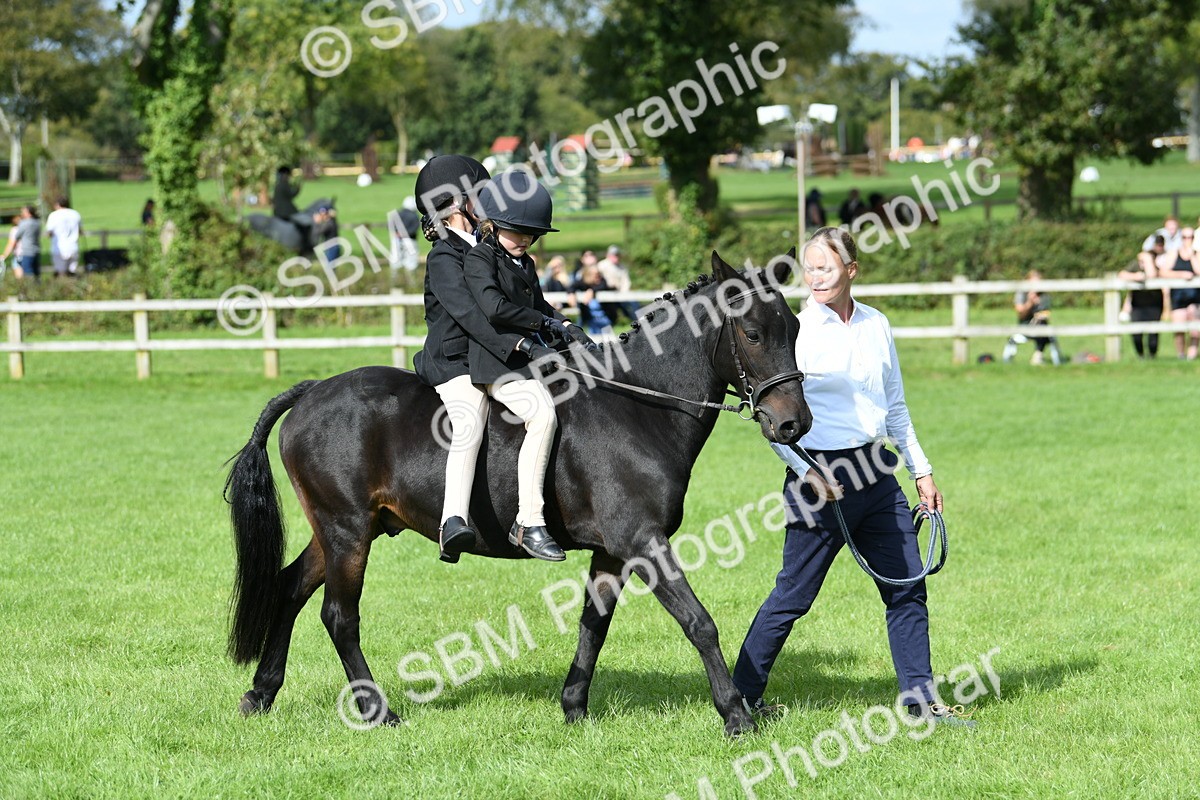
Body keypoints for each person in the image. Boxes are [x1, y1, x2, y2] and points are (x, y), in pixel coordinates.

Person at [732, 226, 971, 727]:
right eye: (809, 266)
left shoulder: (877, 325)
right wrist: (808, 472)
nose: (815, 276)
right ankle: (741, 698)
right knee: (792, 597)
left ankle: (920, 704)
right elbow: (773, 420)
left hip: (877, 472)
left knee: (908, 586)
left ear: (851, 270)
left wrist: (921, 471)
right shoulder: (794, 332)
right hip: (820, 478)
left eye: (826, 266)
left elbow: (896, 406)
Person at [462, 169, 597, 562]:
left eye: (530, 234)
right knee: (542, 417)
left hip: (527, 358)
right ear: (494, 224)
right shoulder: (479, 259)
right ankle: (528, 521)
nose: (524, 239)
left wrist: (568, 326)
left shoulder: (526, 263)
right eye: (516, 231)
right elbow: (494, 308)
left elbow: (539, 306)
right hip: (497, 363)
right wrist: (546, 325)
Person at [411, 155, 501, 563]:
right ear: (455, 204)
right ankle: (452, 521)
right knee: (471, 412)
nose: (486, 204)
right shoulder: (444, 257)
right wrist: (514, 346)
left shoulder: (484, 249)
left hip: (483, 356)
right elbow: (469, 314)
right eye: (478, 197)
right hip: (453, 363)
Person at [1002, 270, 1063, 365]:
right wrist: (1030, 303)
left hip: (1040, 325)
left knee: (1044, 328)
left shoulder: (1044, 295)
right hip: (1025, 326)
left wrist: (1040, 311)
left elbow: (1046, 313)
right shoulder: (1022, 294)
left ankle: (1038, 355)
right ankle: (1037, 356)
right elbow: (1021, 314)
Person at [1118, 239, 1166, 359]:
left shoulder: (1158, 263)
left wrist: (1148, 260)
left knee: (1153, 334)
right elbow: (1122, 274)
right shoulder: (1135, 264)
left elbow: (1152, 275)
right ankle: (1140, 356)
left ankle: (1152, 356)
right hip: (1138, 305)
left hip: (1154, 304)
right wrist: (1135, 276)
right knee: (1136, 333)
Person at [1158, 227, 1199, 360]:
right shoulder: (1173, 253)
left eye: (1191, 237)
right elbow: (1163, 272)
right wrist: (1181, 274)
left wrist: (1192, 255)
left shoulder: (1197, 254)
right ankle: (1181, 355)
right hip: (1178, 296)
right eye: (1185, 237)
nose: (1188, 240)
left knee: (1195, 329)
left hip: (1195, 296)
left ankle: (1191, 356)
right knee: (1179, 328)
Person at [597, 245, 640, 323]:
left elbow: (626, 282)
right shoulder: (601, 265)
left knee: (633, 303)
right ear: (608, 255)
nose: (615, 257)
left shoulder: (622, 267)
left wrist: (623, 293)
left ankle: (637, 321)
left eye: (617, 255)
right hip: (606, 292)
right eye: (613, 255)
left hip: (620, 293)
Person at [1, 205, 41, 280]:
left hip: (24, 253)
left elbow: (13, 241)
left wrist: (5, 255)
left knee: (26, 275)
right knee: (36, 275)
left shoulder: (22, 225)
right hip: (36, 251)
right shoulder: (37, 223)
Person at [572, 261, 613, 334]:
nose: (598, 277)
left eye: (598, 274)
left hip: (604, 318)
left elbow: (603, 285)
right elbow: (572, 286)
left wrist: (592, 291)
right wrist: (571, 294)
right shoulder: (583, 283)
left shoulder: (602, 282)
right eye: (595, 275)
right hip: (591, 319)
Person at [45, 197, 82, 276]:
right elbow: (80, 230)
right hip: (73, 246)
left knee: (60, 272)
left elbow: (49, 232)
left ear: (57, 205)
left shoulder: (54, 215)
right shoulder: (75, 214)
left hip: (59, 247)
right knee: (72, 272)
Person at [390, 196, 420, 272]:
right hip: (410, 240)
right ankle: (411, 279)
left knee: (396, 260)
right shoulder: (414, 215)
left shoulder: (397, 214)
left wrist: (397, 233)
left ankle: (396, 278)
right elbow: (415, 228)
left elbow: (390, 225)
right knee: (411, 261)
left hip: (397, 239)